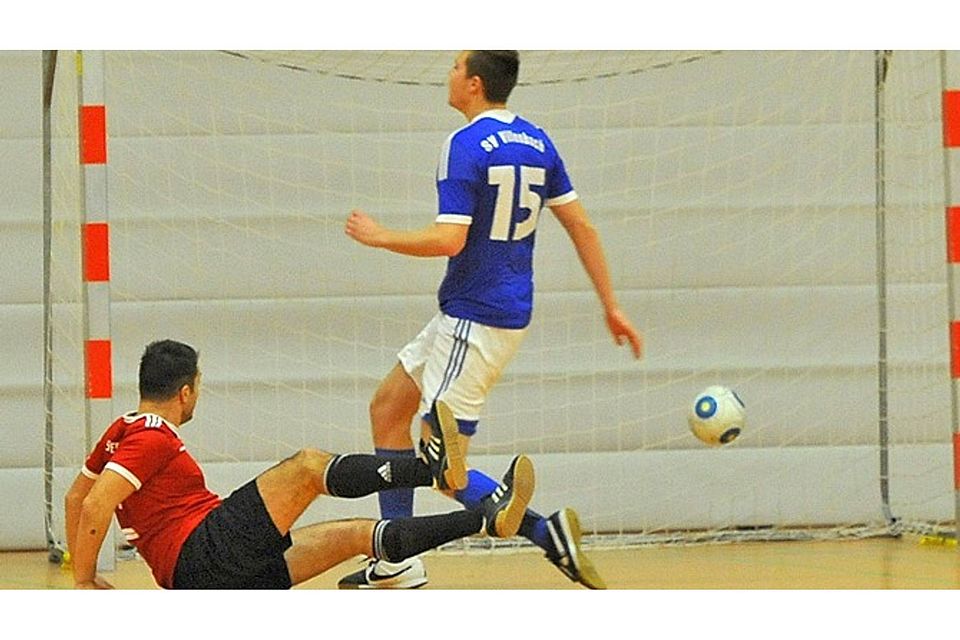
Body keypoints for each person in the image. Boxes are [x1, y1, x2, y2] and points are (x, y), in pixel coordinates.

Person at [343, 50, 642, 590]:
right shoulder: (537, 140)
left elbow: (448, 239)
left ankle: (545, 533)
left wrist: (378, 235)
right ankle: (395, 562)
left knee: (443, 466)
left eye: (455, 67)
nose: (449, 74)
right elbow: (582, 227)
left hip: (474, 318)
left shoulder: (462, 146)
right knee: (389, 409)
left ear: (475, 84)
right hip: (485, 311)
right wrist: (611, 306)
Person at [63, 339, 534, 589]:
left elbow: (76, 496)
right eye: (198, 389)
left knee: (355, 535)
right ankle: (433, 469)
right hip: (205, 551)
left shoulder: (120, 429)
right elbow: (96, 505)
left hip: (207, 578)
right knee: (308, 467)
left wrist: (78, 562)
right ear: (185, 391)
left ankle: (486, 520)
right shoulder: (153, 435)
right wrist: (83, 580)